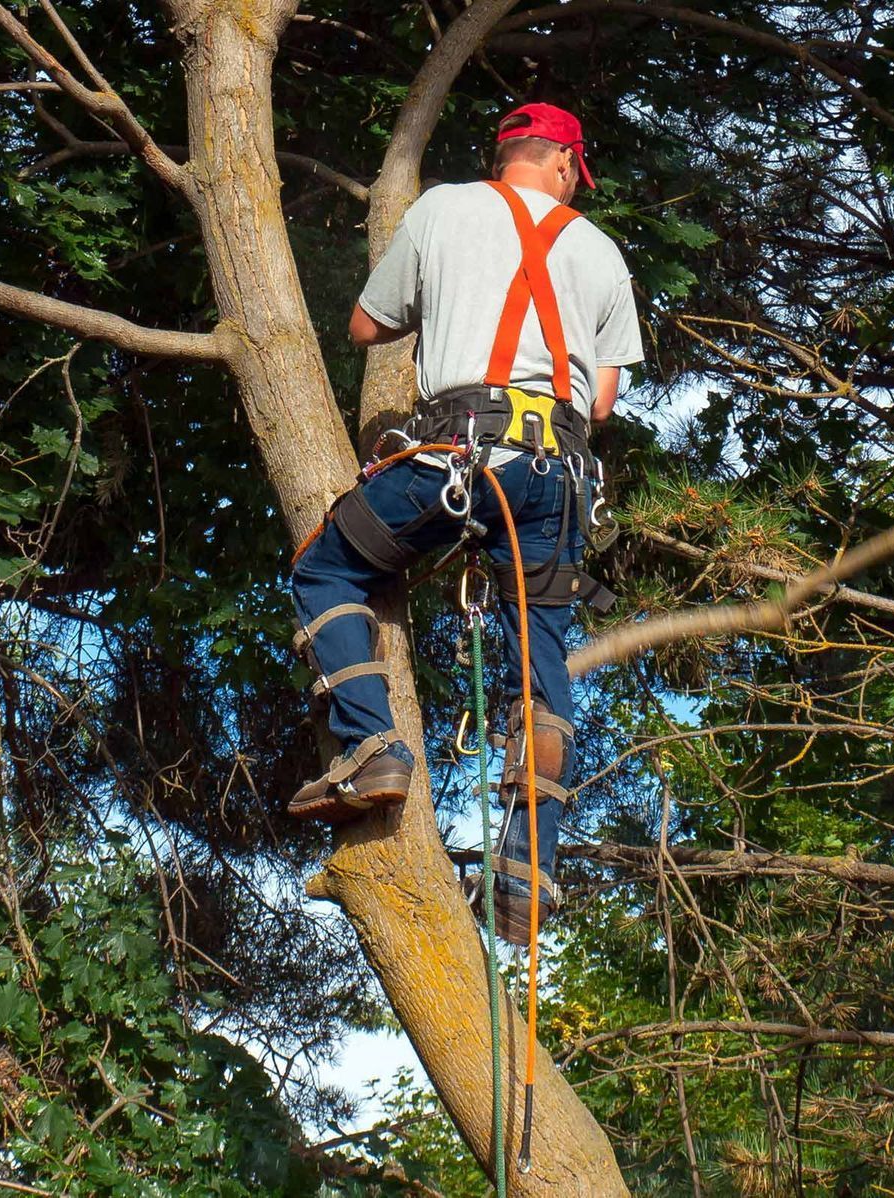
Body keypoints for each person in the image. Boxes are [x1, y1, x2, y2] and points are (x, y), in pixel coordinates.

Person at [287, 102, 641, 946]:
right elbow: (600, 400)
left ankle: (373, 749)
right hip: (555, 477)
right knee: (539, 674)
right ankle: (525, 879)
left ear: (508, 153)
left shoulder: (443, 208)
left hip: (459, 454)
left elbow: (366, 325)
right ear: (563, 164)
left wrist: (448, 305)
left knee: (329, 569)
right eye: (572, 173)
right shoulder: (600, 250)